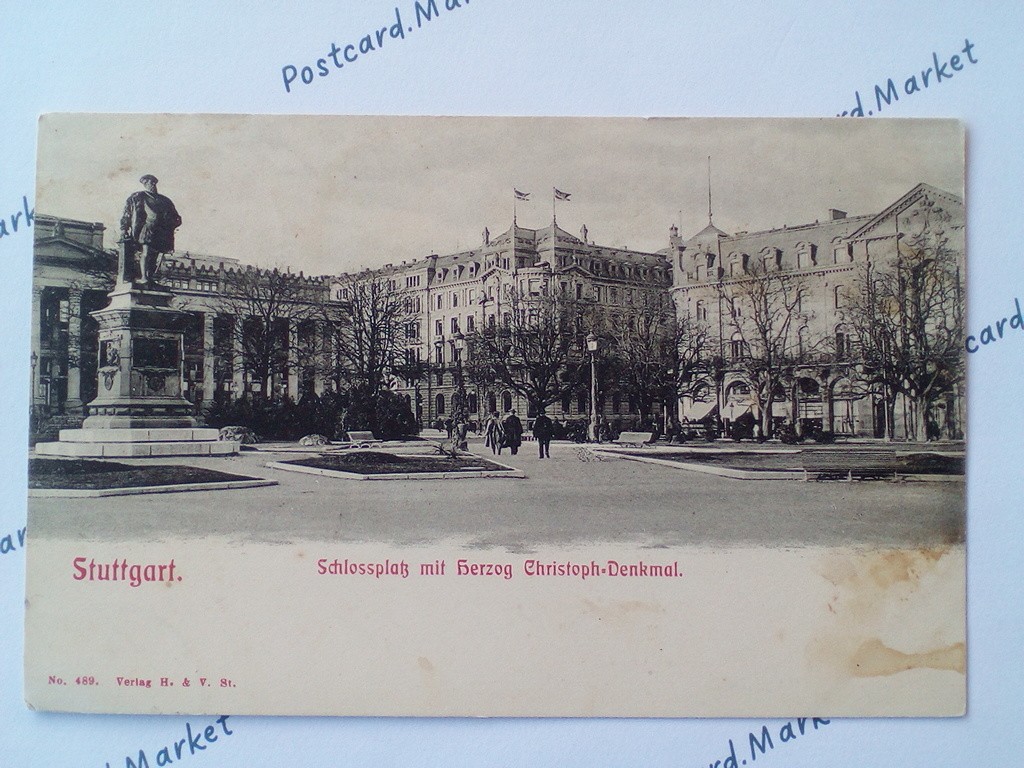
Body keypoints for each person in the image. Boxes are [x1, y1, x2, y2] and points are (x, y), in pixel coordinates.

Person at [119, 174, 182, 286]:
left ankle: (149, 277)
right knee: (146, 252)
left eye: (153, 182)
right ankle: (144, 277)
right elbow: (127, 213)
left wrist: (171, 224)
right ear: (144, 184)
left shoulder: (165, 200)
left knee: (154, 256)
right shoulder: (138, 197)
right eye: (148, 183)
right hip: (147, 229)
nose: (152, 185)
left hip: (161, 232)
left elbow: (176, 217)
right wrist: (124, 228)